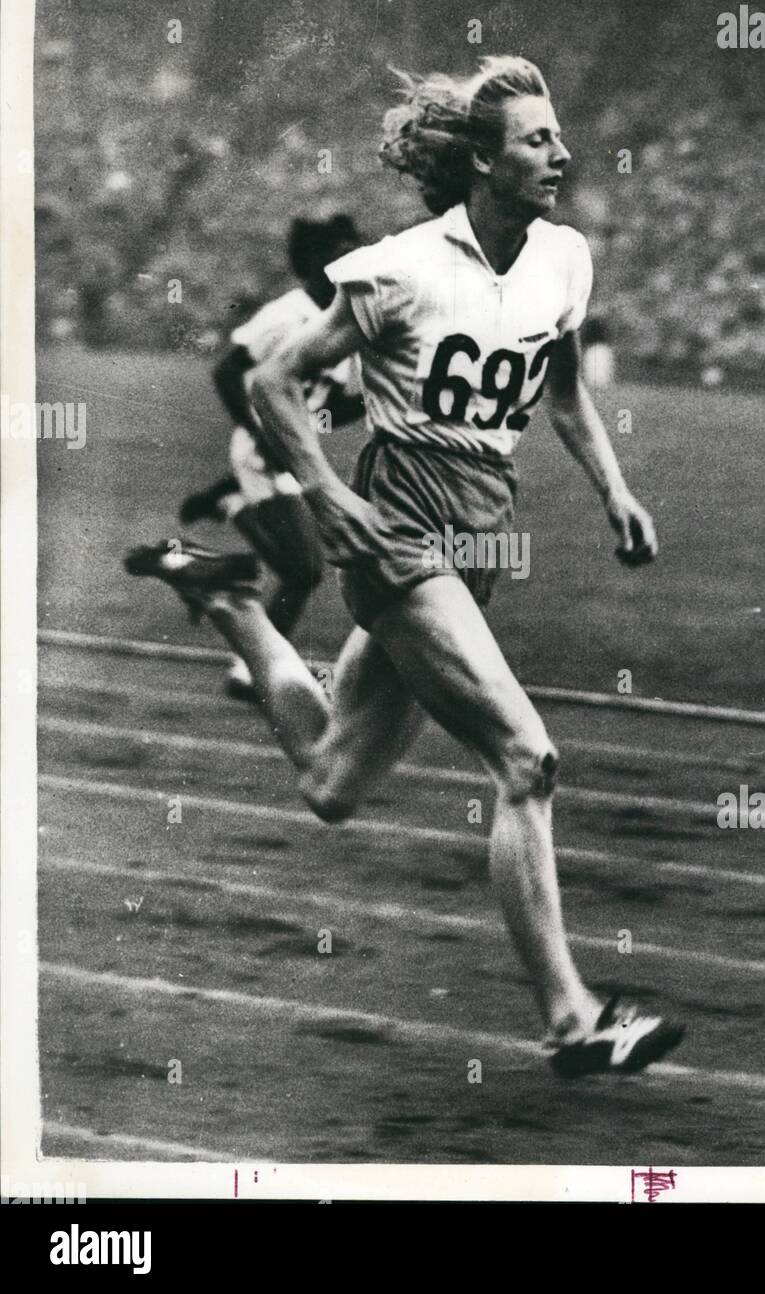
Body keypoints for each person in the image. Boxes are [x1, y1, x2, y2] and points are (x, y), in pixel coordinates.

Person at [126, 56, 684, 1077]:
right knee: (526, 760)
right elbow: (271, 377)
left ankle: (232, 605)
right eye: (534, 139)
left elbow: (559, 390)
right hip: (398, 535)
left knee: (333, 782)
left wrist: (614, 490)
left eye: (556, 134)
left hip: (475, 544)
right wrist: (331, 499)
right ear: (481, 159)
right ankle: (572, 1018)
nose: (560, 152)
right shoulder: (403, 266)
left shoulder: (561, 258)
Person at [178, 215, 366, 697]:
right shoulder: (287, 314)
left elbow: (332, 405)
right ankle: (249, 671)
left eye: (353, 252)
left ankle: (231, 504)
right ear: (310, 263)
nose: (346, 262)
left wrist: (380, 400)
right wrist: (257, 432)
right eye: (335, 254)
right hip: (265, 451)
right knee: (304, 570)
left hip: (293, 453)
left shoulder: (342, 321)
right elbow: (227, 371)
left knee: (299, 570)